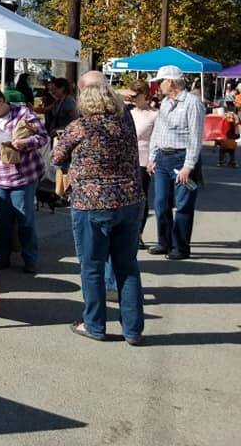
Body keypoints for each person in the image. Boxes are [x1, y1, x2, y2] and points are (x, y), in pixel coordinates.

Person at [53, 80, 145, 345]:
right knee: (127, 267)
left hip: (92, 204)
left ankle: (94, 324)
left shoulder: (80, 126)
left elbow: (57, 158)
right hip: (129, 201)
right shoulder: (125, 126)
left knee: (92, 267)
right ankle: (133, 330)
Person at [0, 88, 48, 274]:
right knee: (2, 221)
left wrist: (25, 143)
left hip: (23, 178)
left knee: (25, 220)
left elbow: (43, 137)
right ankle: (2, 258)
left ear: (0, 102)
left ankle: (30, 258)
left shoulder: (23, 114)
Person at [147, 65, 205, 259]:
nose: (158, 85)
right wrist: (152, 157)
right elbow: (158, 132)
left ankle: (180, 247)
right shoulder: (165, 103)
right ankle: (164, 242)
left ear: (170, 82)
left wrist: (189, 165)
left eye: (160, 81)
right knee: (161, 203)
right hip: (163, 158)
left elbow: (196, 137)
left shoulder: (192, 103)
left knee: (183, 205)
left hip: (182, 157)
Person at [128, 80, 159, 246]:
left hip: (144, 158)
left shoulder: (155, 115)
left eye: (135, 95)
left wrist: (153, 159)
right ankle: (128, 231)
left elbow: (156, 139)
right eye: (131, 95)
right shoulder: (127, 113)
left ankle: (138, 233)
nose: (132, 99)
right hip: (126, 159)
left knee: (141, 196)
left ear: (145, 96)